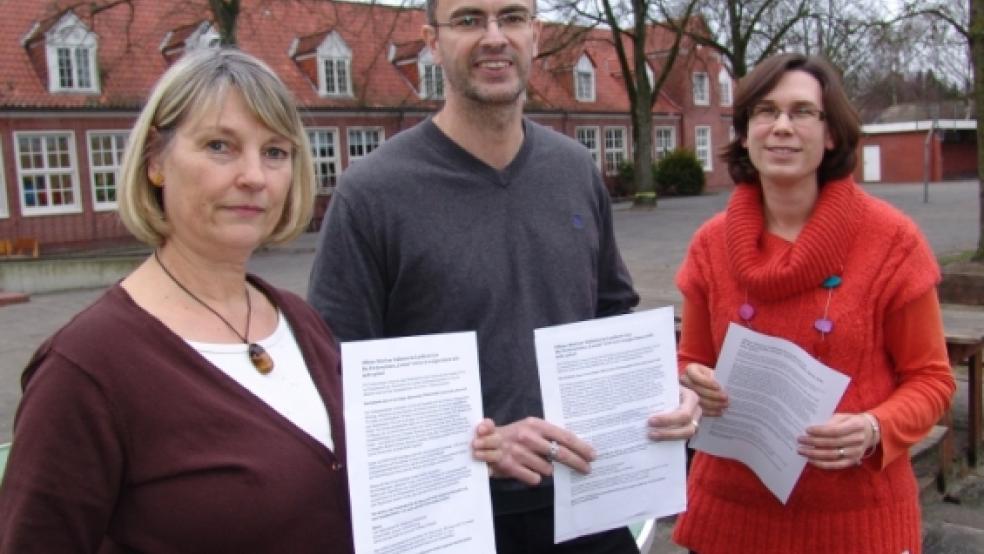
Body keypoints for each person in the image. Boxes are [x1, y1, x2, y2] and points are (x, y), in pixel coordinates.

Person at [0, 48, 503, 553]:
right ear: (156, 161)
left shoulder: (298, 321)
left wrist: (454, 450)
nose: (255, 177)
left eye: (275, 152)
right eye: (220, 146)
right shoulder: (87, 368)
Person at [307, 0, 700, 552]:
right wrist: (480, 444)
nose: (494, 37)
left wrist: (662, 389)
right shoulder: (371, 193)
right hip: (448, 519)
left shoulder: (574, 170)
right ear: (431, 40)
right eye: (469, 20)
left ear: (535, 35)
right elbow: (336, 374)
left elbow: (610, 315)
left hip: (589, 500)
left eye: (511, 17)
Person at [672, 52, 956, 553]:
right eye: (765, 111)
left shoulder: (892, 242)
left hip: (854, 525)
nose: (781, 126)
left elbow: (932, 381)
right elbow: (692, 360)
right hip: (728, 520)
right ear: (744, 132)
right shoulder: (710, 245)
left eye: (802, 111)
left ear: (830, 134)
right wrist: (692, 389)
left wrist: (875, 426)